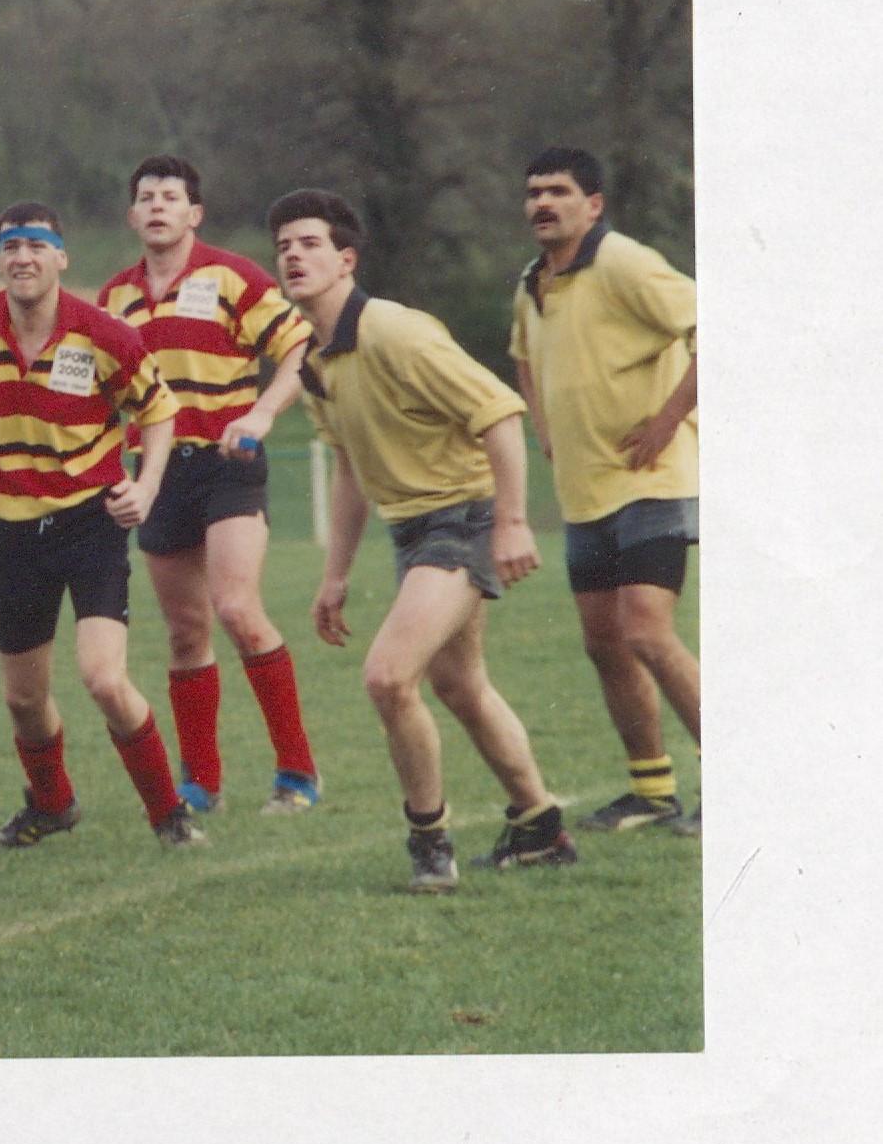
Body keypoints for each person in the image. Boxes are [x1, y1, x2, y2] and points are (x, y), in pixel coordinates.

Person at [272, 189, 577, 892]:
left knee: (387, 676)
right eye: (282, 246)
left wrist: (509, 521)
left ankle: (428, 843)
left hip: (460, 520)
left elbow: (499, 412)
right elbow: (348, 468)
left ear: (345, 259)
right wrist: (333, 576)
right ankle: (538, 825)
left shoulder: (392, 330)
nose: (292, 254)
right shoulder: (314, 360)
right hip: (409, 530)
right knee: (460, 685)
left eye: (309, 242)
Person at [0, 204, 203, 850]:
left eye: (36, 245)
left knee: (104, 678)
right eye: (10, 246)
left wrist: (145, 485)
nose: (22, 257)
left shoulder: (102, 333)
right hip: (11, 531)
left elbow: (159, 413)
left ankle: (169, 816)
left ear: (61, 258)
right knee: (23, 701)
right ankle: (52, 806)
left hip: (91, 522)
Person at [98, 156, 321, 815]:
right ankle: (201, 784)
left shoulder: (231, 276)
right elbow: (107, 396)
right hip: (159, 474)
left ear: (193, 214)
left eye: (171, 196)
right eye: (146, 197)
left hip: (228, 462)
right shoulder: (114, 298)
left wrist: (261, 412)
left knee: (235, 608)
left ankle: (297, 774)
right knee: (184, 632)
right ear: (132, 216)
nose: (158, 206)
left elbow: (297, 345)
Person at [510, 147, 701, 837]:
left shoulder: (623, 261)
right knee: (604, 644)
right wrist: (542, 426)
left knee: (646, 632)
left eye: (557, 191)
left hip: (652, 482)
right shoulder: (531, 281)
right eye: (533, 191)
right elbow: (522, 358)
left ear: (592, 205)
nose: (541, 203)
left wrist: (669, 417)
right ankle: (651, 792)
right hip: (584, 493)